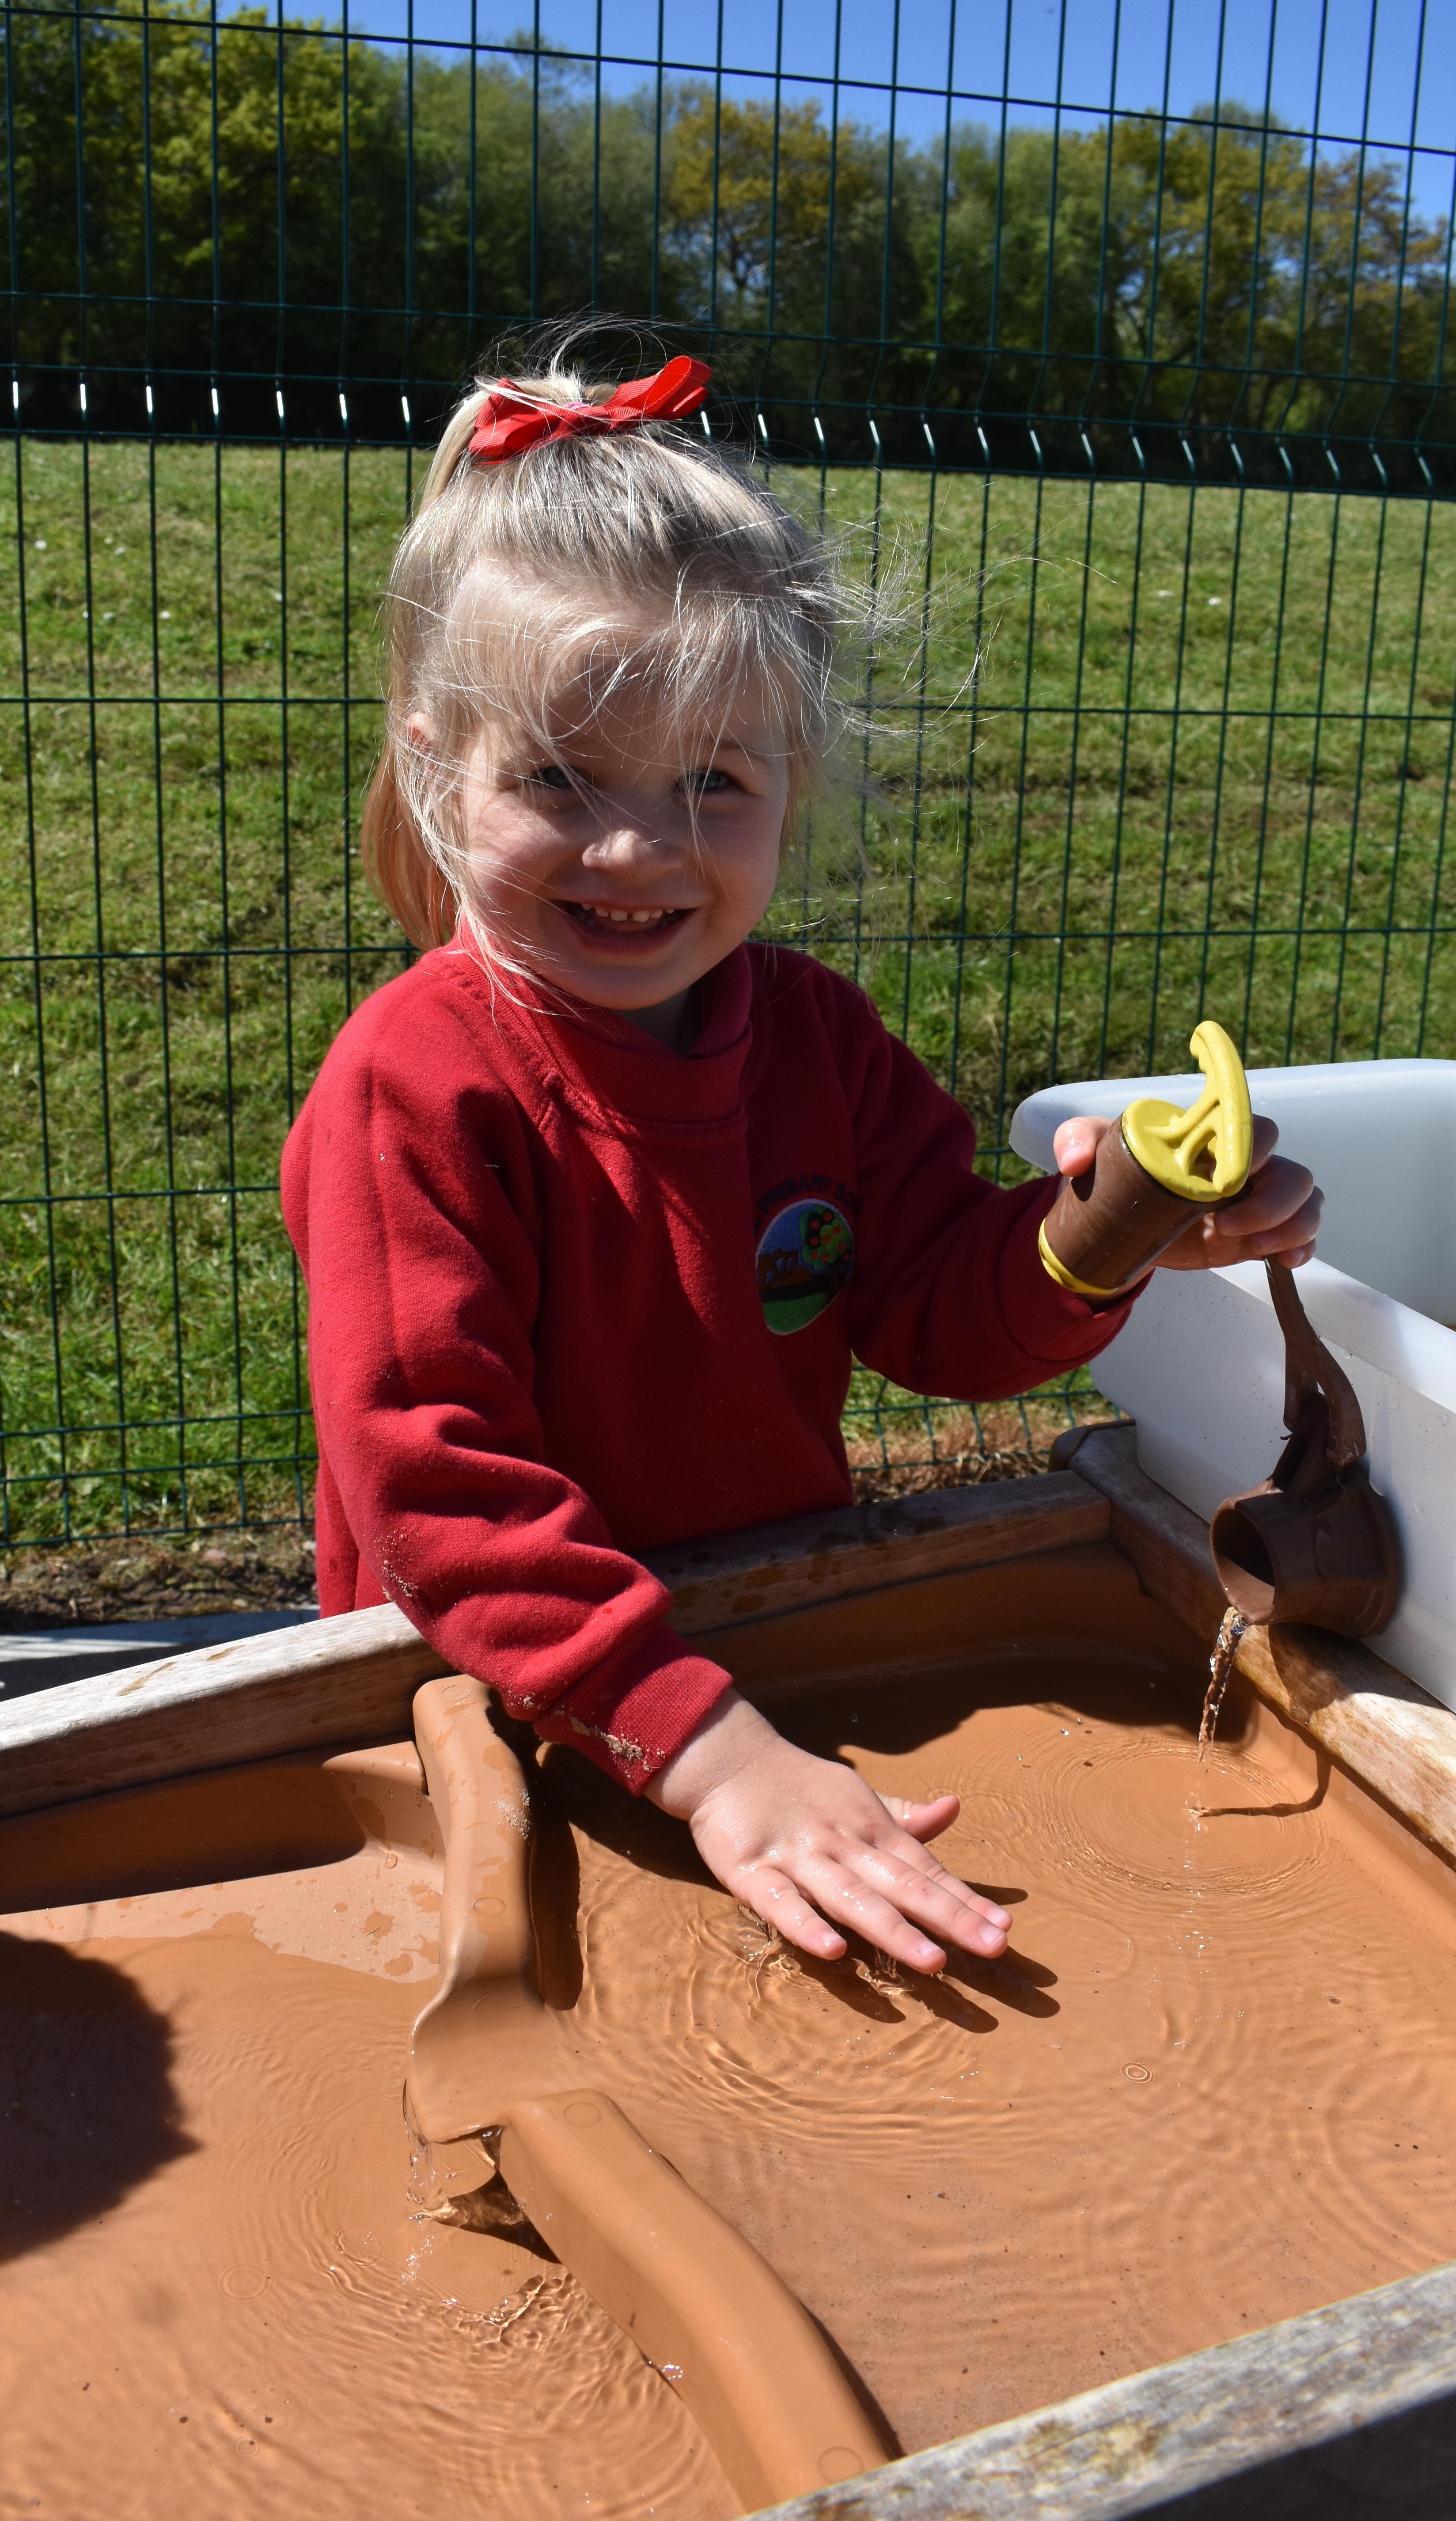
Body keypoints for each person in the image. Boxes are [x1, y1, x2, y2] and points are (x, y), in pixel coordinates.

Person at [281, 348, 1320, 1983]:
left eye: (715, 781)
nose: (639, 848)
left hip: (768, 1636)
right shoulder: (413, 1089)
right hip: (482, 1697)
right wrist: (715, 1759)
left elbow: (934, 1310)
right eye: (560, 775)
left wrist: (1107, 1228)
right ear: (435, 762)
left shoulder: (816, 1039)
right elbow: (439, 1496)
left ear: (794, 783)